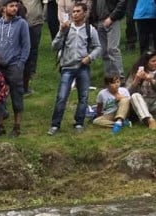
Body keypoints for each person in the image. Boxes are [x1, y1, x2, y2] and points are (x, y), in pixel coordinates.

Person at [48, 2, 101, 134]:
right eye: (74, 11)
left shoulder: (90, 30)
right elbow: (54, 46)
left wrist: (89, 57)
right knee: (61, 97)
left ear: (84, 13)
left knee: (83, 97)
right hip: (67, 67)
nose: (75, 14)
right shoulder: (66, 28)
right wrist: (61, 31)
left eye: (78, 11)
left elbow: (98, 47)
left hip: (83, 67)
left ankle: (79, 122)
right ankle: (55, 125)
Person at [0, 0, 31, 136]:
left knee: (17, 96)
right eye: (11, 6)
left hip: (14, 65)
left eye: (16, 6)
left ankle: (17, 127)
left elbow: (26, 45)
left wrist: (21, 63)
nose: (15, 8)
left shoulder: (22, 24)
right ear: (3, 8)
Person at [91, 0, 128, 79]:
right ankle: (109, 79)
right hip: (99, 21)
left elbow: (122, 2)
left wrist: (112, 17)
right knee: (104, 51)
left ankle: (120, 78)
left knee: (112, 49)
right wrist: (94, 21)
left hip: (112, 20)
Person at [128, 51, 156, 128]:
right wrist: (136, 80)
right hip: (141, 103)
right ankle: (150, 120)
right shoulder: (136, 72)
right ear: (146, 62)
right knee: (135, 96)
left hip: (155, 102)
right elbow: (127, 93)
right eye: (153, 61)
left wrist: (151, 80)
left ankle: (147, 116)